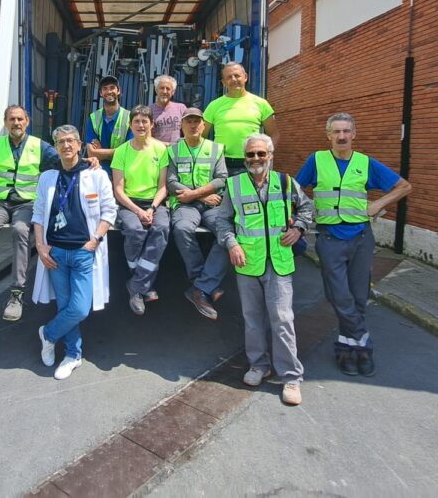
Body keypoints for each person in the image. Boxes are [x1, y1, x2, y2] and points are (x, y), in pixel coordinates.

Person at [295, 112, 412, 377]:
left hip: (361, 236)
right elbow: (294, 188)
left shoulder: (365, 163)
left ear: (354, 134)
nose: (342, 136)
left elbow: (404, 186)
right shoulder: (317, 160)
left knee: (358, 297)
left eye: (346, 131)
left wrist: (378, 204)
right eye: (336, 132)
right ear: (328, 136)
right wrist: (305, 211)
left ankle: (348, 349)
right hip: (329, 236)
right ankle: (364, 343)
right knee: (338, 294)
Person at [212, 133, 313, 406]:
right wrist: (232, 244)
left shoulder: (285, 182)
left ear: (270, 155)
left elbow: (307, 208)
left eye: (260, 154)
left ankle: (291, 377)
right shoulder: (234, 185)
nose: (255, 159)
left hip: (279, 262)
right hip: (247, 263)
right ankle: (259, 365)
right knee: (253, 320)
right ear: (244, 158)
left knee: (282, 319)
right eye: (250, 155)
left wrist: (298, 228)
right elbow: (223, 222)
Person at [31, 125, 116, 380]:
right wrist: (40, 245)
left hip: (82, 252)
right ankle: (73, 354)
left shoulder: (96, 175)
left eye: (71, 141)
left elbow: (109, 211)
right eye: (60, 142)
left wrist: (95, 239)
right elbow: (38, 213)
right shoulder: (47, 177)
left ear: (80, 145)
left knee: (79, 308)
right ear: (55, 148)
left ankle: (47, 334)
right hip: (55, 253)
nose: (66, 145)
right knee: (65, 306)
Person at [0, 105, 61, 322]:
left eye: (20, 119)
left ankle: (17, 293)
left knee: (20, 231)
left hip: (26, 205)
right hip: (0, 203)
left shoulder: (39, 146)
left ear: (26, 121)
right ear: (5, 122)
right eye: (12, 119)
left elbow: (64, 159)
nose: (16, 123)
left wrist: (88, 162)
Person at [166, 108, 230, 320]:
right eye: (189, 122)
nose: (193, 125)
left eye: (197, 122)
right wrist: (199, 196)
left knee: (227, 232)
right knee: (182, 228)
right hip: (186, 205)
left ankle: (201, 286)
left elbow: (222, 178)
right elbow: (171, 182)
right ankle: (201, 282)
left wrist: (197, 194)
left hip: (213, 206)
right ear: (182, 127)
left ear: (204, 126)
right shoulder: (173, 151)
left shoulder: (216, 149)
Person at [111, 105, 169, 316]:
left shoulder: (160, 149)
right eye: (136, 121)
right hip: (129, 204)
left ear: (152, 124)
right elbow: (118, 190)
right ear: (130, 125)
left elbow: (163, 186)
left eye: (145, 121)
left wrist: (152, 208)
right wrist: (138, 211)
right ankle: (144, 282)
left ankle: (136, 286)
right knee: (136, 231)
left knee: (161, 227)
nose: (141, 125)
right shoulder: (121, 151)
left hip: (155, 203)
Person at [202, 63, 280, 174]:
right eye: (229, 77)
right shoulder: (213, 106)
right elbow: (201, 136)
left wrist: (267, 153)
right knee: (221, 192)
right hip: (221, 163)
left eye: (237, 75)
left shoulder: (261, 104)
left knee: (250, 192)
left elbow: (274, 134)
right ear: (223, 83)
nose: (234, 79)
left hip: (251, 162)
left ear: (245, 77)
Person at [85, 75, 132, 175]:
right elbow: (91, 153)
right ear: (101, 93)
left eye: (112, 88)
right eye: (105, 89)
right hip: (98, 172)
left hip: (123, 173)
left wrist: (101, 151)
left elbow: (129, 152)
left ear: (118, 91)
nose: (109, 91)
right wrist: (118, 151)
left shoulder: (129, 117)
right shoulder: (93, 118)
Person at [150, 75, 187, 144]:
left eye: (168, 89)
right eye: (161, 88)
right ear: (156, 90)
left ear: (173, 92)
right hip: (158, 152)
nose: (165, 91)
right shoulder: (149, 111)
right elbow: (147, 137)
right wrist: (165, 145)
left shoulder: (181, 108)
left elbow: (188, 131)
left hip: (178, 152)